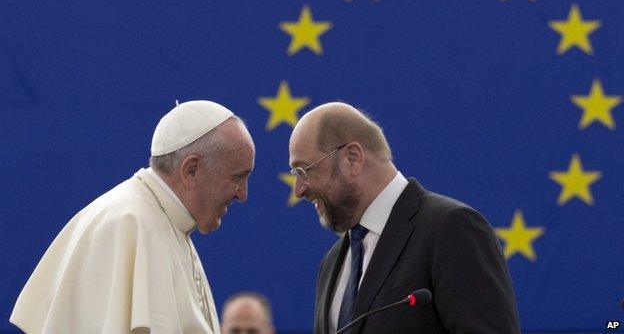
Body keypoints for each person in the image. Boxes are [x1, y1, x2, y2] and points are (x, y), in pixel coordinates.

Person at [10, 100, 255, 334]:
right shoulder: (128, 222)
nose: (242, 195)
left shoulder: (166, 220)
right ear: (191, 170)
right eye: (237, 178)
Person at [288, 102, 520, 334]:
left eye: (304, 171)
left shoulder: (450, 228)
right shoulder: (331, 262)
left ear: (352, 157)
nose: (299, 190)